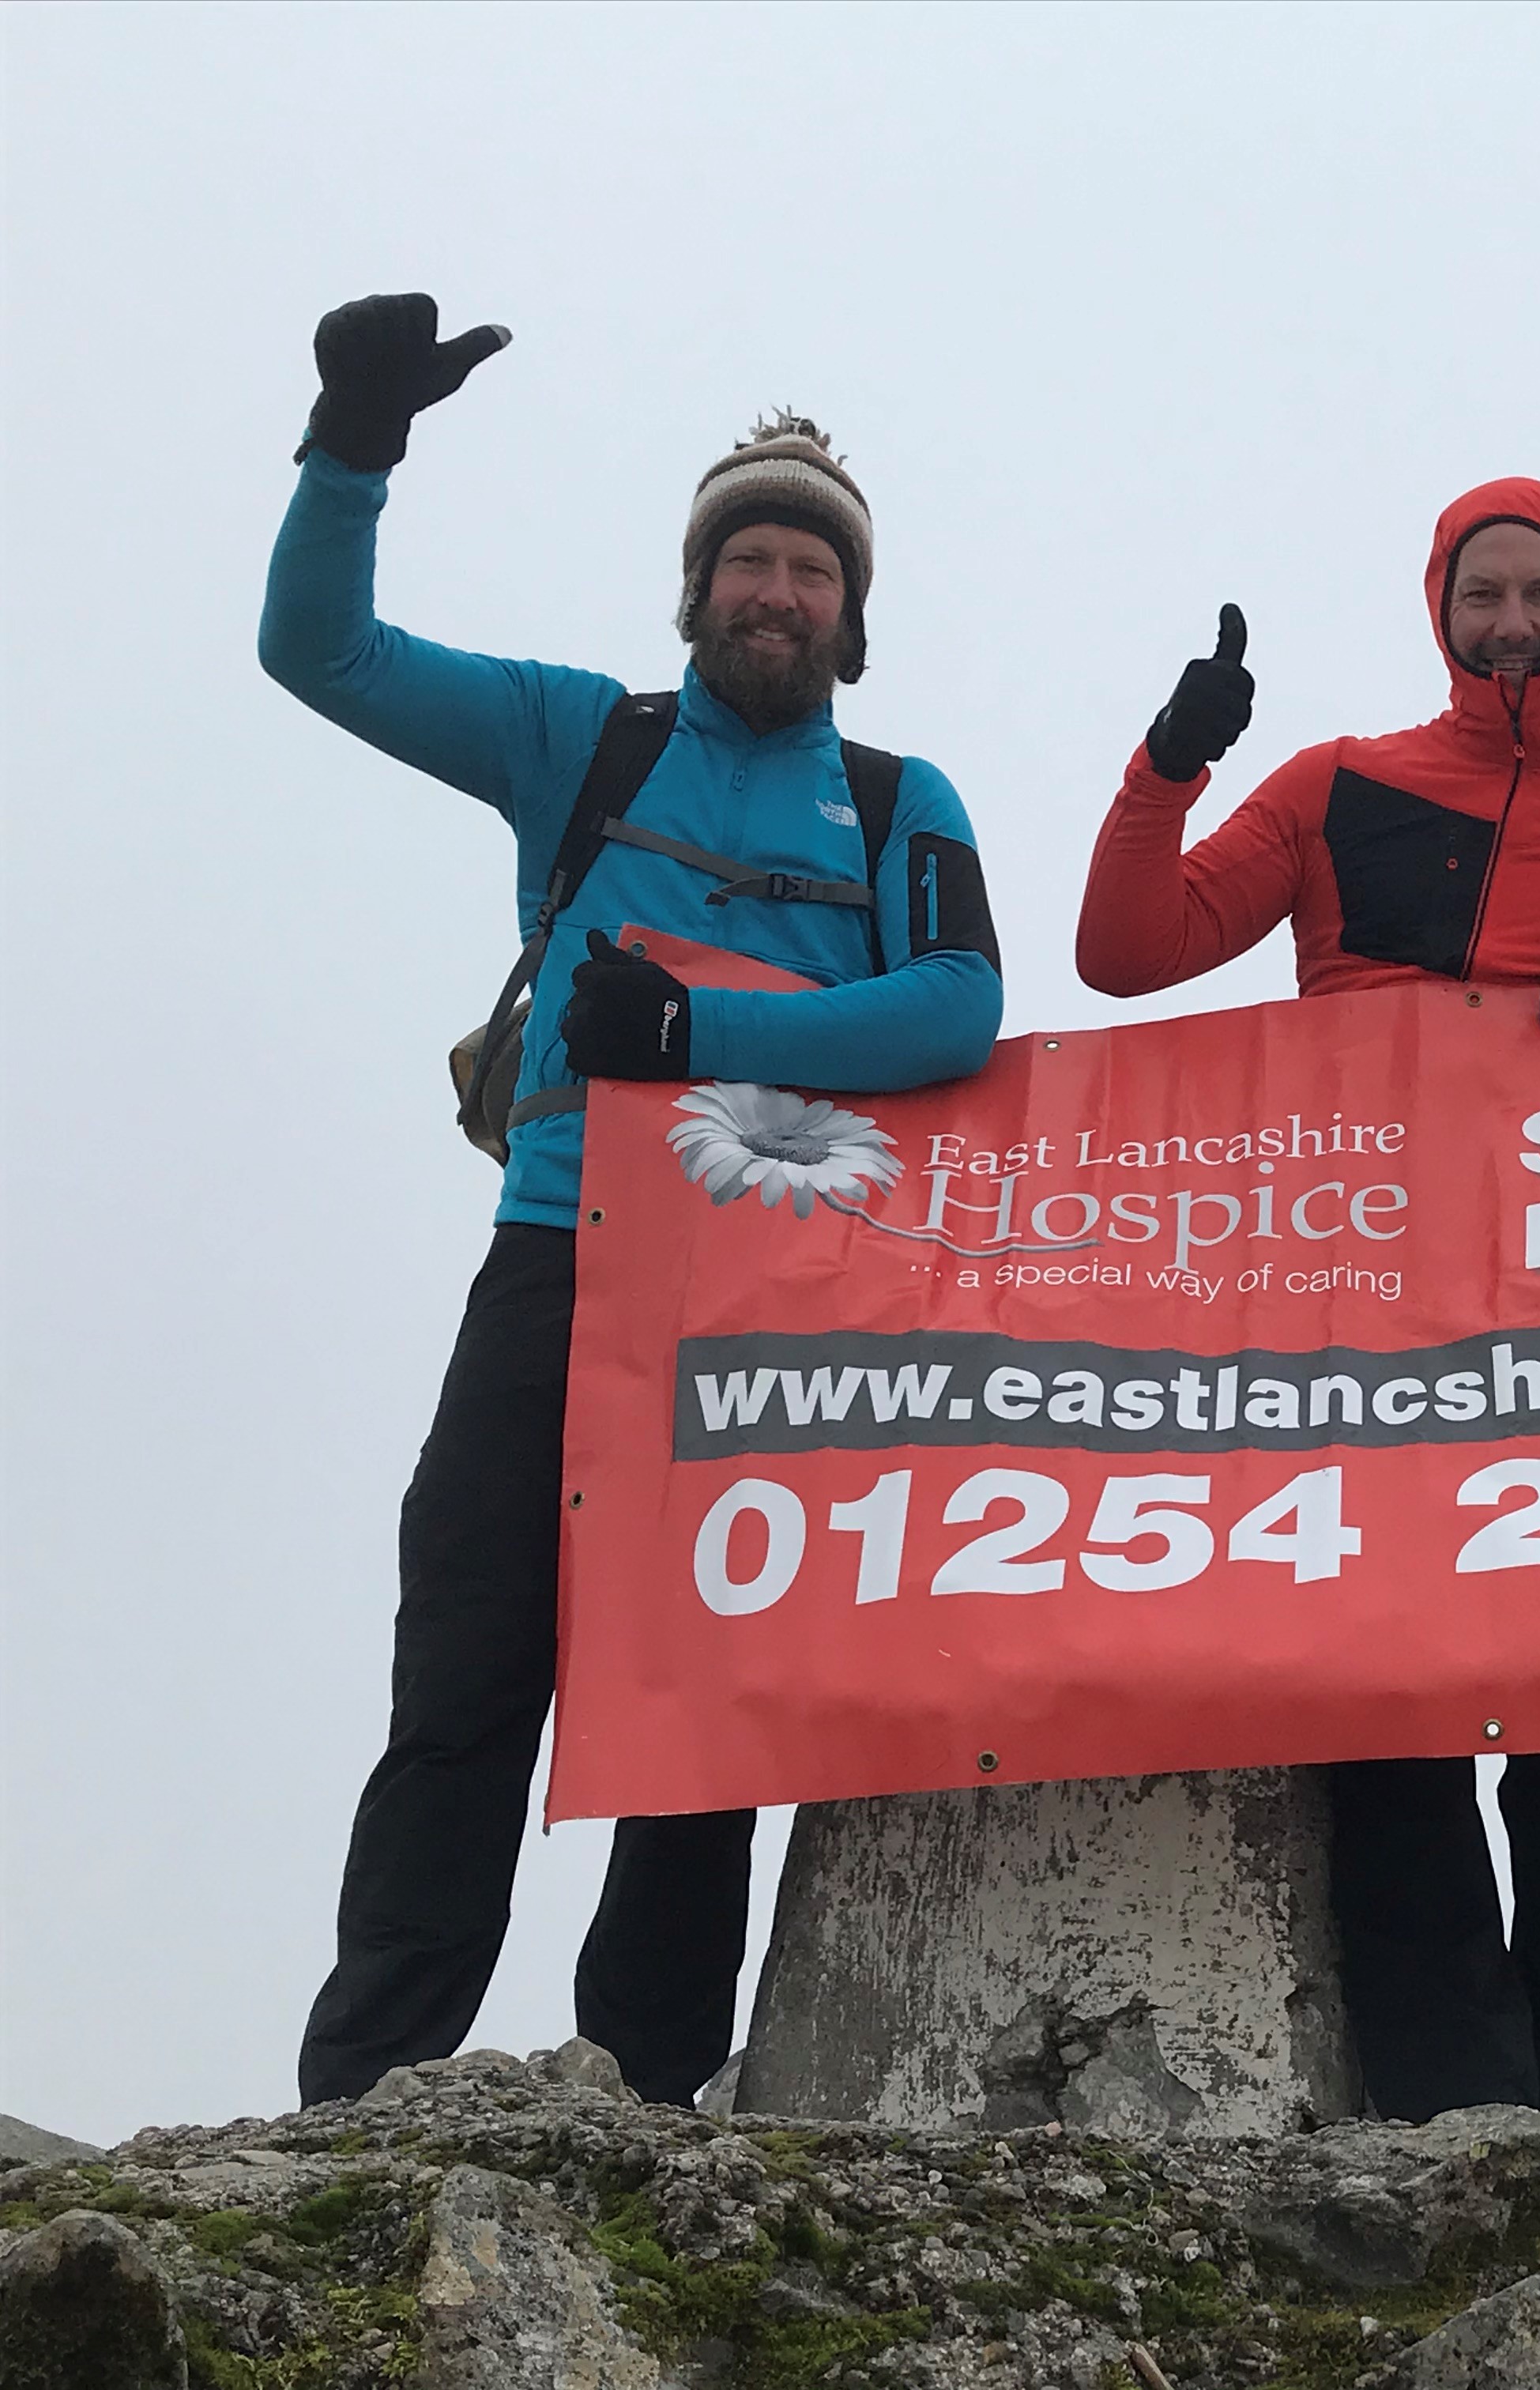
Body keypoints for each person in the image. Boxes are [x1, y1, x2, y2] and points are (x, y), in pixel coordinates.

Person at [261, 293, 1003, 2107]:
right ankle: (361, 2101)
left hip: (775, 1298)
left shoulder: (907, 799)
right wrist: (351, 452)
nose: (775, 590)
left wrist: (693, 1025)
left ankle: (651, 2102)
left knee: (700, 1709)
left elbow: (960, 1009)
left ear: (853, 615)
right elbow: (322, 654)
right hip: (557, 1257)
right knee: (465, 1681)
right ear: (697, 592)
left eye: (809, 570)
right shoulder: (582, 742)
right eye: (745, 559)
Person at [1075, 477, 1540, 2172]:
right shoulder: (1335, 788)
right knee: (1391, 1742)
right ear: (1440, 612)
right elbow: (1124, 950)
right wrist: (1171, 766)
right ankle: (1459, 2125)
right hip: (1358, 1331)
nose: (1512, 624)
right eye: (1483, 596)